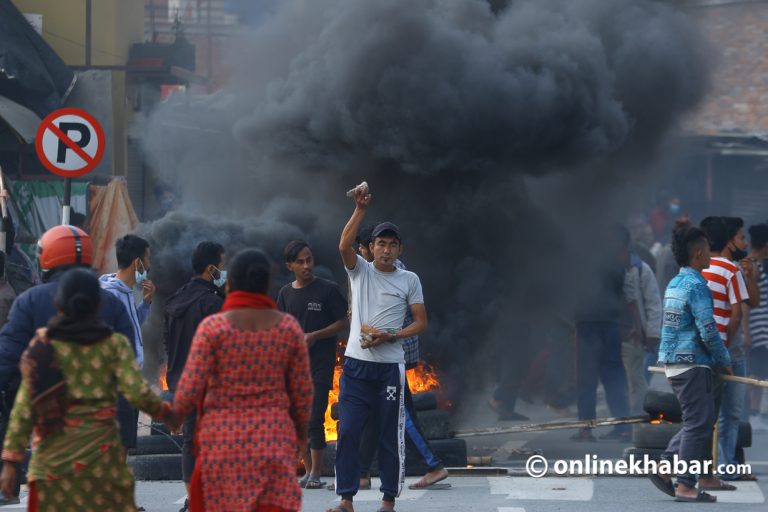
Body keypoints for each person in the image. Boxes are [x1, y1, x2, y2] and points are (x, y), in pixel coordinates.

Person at [0, 268, 177, 510]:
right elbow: (137, 392)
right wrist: (168, 415)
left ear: (60, 305)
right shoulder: (114, 347)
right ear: (97, 305)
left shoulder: (42, 346)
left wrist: (10, 462)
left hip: (52, 469)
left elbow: (23, 408)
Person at [0, 225, 135, 506]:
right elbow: (126, 378)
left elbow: (7, 361)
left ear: (46, 256)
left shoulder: (30, 302)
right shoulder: (111, 303)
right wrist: (125, 434)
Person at [171, 249, 313, 512]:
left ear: (230, 284)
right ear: (265, 285)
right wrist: (301, 437)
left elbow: (189, 389)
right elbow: (302, 395)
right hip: (273, 442)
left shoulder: (213, 329)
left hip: (222, 447)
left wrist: (175, 416)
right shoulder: (288, 329)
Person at [331, 184, 428, 512]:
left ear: (400, 249)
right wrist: (360, 209)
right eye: (380, 244)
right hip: (356, 367)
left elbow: (420, 323)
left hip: (390, 369)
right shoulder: (361, 272)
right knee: (348, 432)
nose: (386, 250)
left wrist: (390, 334)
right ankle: (346, 499)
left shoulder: (409, 279)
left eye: (392, 245)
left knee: (390, 435)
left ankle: (388, 501)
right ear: (370, 248)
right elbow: (344, 244)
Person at [351, 225, 449, 491]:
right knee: (372, 413)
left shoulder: (401, 275)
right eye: (379, 245)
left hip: (394, 357)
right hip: (378, 358)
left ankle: (433, 465)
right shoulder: (374, 273)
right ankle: (360, 474)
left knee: (402, 414)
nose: (383, 251)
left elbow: (409, 319)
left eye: (362, 250)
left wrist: (382, 333)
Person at [648, 222, 732, 503]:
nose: (711, 254)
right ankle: (685, 484)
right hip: (693, 365)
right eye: (708, 250)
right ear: (698, 254)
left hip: (675, 363)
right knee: (699, 424)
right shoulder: (697, 286)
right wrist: (723, 360)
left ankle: (665, 466)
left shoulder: (675, 282)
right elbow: (708, 330)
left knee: (698, 421)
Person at [277, 240, 347, 490]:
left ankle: (317, 472)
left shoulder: (327, 290)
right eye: (301, 262)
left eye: (310, 260)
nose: (307, 265)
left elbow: (342, 323)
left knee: (315, 418)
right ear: (290, 265)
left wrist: (315, 335)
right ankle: (307, 470)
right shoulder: (285, 294)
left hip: (319, 365)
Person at [163, 241, 226, 511]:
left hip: (181, 382)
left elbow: (167, 343)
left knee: (191, 441)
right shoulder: (213, 303)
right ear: (211, 269)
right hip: (209, 385)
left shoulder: (176, 298)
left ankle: (194, 499)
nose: (225, 272)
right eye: (223, 266)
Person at [699, 216, 756, 489]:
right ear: (730, 240)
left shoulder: (703, 269)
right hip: (723, 352)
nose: (745, 242)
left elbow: (747, 303)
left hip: (711, 350)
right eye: (741, 237)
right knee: (723, 412)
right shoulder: (725, 270)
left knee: (716, 413)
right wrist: (721, 349)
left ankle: (721, 467)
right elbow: (736, 314)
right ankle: (716, 468)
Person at [571, 226, 631, 442]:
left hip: (587, 325)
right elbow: (621, 293)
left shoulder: (580, 263)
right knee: (614, 375)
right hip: (610, 324)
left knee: (586, 377)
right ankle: (623, 426)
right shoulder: (615, 262)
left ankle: (585, 429)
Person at [100, 234, 156, 451]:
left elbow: (131, 328)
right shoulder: (110, 295)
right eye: (148, 259)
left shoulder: (125, 293)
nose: (149, 265)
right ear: (137, 262)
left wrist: (146, 303)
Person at [621, 233, 662, 415]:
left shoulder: (641, 269)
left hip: (634, 335)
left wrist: (653, 333)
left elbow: (653, 303)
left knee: (635, 379)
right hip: (616, 333)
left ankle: (640, 414)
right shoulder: (608, 267)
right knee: (624, 381)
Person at [746, 223, 768, 428]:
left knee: (760, 371)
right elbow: (745, 302)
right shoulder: (752, 266)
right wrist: (746, 331)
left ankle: (757, 414)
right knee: (756, 373)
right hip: (756, 329)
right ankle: (753, 414)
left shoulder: (757, 265)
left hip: (761, 329)